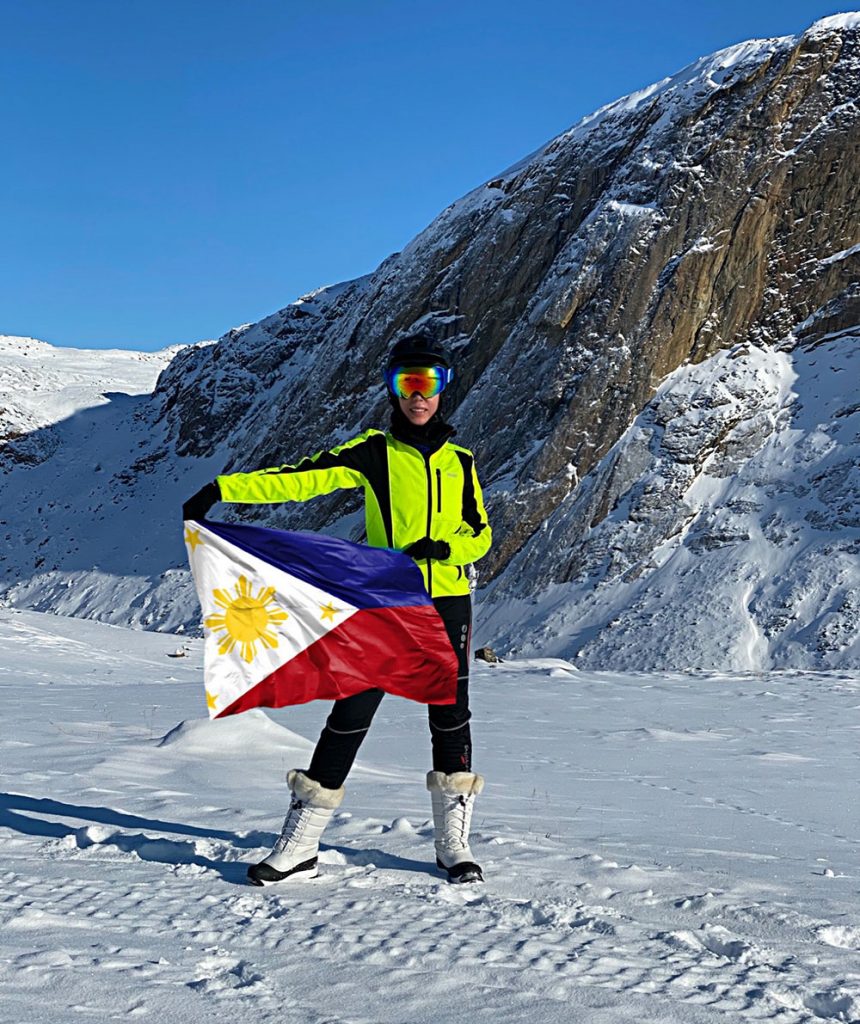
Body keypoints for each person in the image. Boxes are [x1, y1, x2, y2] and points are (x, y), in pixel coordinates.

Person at [183, 333, 492, 885]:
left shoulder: (462, 462)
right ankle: (300, 844)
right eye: (407, 383)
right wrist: (223, 488)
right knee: (351, 714)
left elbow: (481, 533)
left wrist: (447, 549)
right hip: (386, 601)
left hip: (447, 601)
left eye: (429, 383)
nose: (418, 396)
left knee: (450, 716)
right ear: (392, 389)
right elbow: (302, 479)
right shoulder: (374, 452)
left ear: (444, 388)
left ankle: (453, 845)